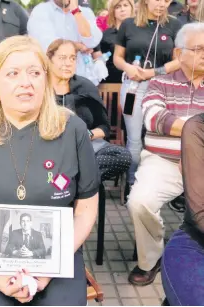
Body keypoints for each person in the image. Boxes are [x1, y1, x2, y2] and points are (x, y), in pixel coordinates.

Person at [0, 35, 99, 306]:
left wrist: (50, 268)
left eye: (35, 72)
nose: (25, 82)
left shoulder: (73, 130)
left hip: (57, 258)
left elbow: (85, 209)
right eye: (12, 73)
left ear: (46, 79)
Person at [127, 22, 204, 286]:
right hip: (164, 161)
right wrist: (196, 132)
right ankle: (151, 258)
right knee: (140, 202)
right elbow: (154, 119)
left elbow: (169, 123)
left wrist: (187, 134)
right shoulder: (160, 82)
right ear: (178, 53)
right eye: (198, 49)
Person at [113, 0, 182, 197]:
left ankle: (162, 187)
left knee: (161, 137)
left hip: (163, 88)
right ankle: (133, 185)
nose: (162, 4)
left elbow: (180, 59)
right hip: (134, 87)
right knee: (135, 140)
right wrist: (129, 68)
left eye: (167, 0)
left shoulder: (175, 25)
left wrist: (153, 72)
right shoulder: (128, 24)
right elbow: (118, 57)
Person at [48, 39, 132, 181]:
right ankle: (78, 181)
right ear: (49, 60)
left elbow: (104, 128)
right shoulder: (39, 88)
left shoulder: (85, 87)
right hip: (49, 148)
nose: (68, 63)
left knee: (122, 156)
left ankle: (73, 180)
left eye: (72, 58)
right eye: (62, 58)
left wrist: (86, 135)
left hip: (84, 146)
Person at [161, 113, 204, 305]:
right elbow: (156, 119)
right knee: (140, 201)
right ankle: (147, 263)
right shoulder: (198, 126)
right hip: (159, 156)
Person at [27, 0, 102, 79]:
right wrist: (79, 46)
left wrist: (76, 11)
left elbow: (92, 42)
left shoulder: (86, 12)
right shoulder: (41, 11)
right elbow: (48, 44)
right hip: (53, 79)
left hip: (84, 77)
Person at [100, 0, 134, 83]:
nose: (122, 9)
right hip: (111, 83)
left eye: (125, 5)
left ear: (131, 8)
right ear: (112, 11)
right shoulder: (105, 35)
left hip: (135, 83)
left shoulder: (141, 32)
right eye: (118, 7)